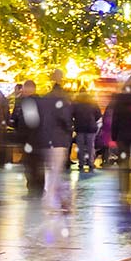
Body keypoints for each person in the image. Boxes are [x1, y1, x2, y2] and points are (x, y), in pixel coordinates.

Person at [39, 73, 75, 209]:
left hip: (45, 138)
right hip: (59, 139)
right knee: (56, 170)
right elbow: (65, 119)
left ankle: (56, 199)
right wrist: (70, 128)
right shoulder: (63, 101)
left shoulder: (44, 100)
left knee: (51, 169)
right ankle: (52, 201)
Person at [107, 76, 131, 198]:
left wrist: (114, 136)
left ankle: (124, 190)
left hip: (123, 135)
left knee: (123, 163)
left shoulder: (120, 100)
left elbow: (115, 119)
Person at [70, 89, 102, 173]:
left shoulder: (75, 104)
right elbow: (98, 115)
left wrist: (75, 121)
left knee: (80, 146)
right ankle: (90, 163)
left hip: (80, 127)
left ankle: (81, 163)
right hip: (91, 127)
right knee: (90, 146)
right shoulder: (93, 103)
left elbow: (71, 114)